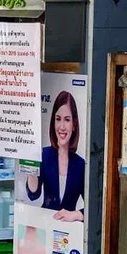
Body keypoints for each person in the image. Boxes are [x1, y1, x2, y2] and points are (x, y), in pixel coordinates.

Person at [25, 91, 85, 222]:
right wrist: (30, 166)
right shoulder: (44, 155)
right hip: (45, 225)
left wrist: (76, 215)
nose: (62, 127)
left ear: (74, 125)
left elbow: (94, 205)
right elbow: (33, 194)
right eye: (58, 119)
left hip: (69, 230)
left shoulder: (81, 164)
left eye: (67, 120)